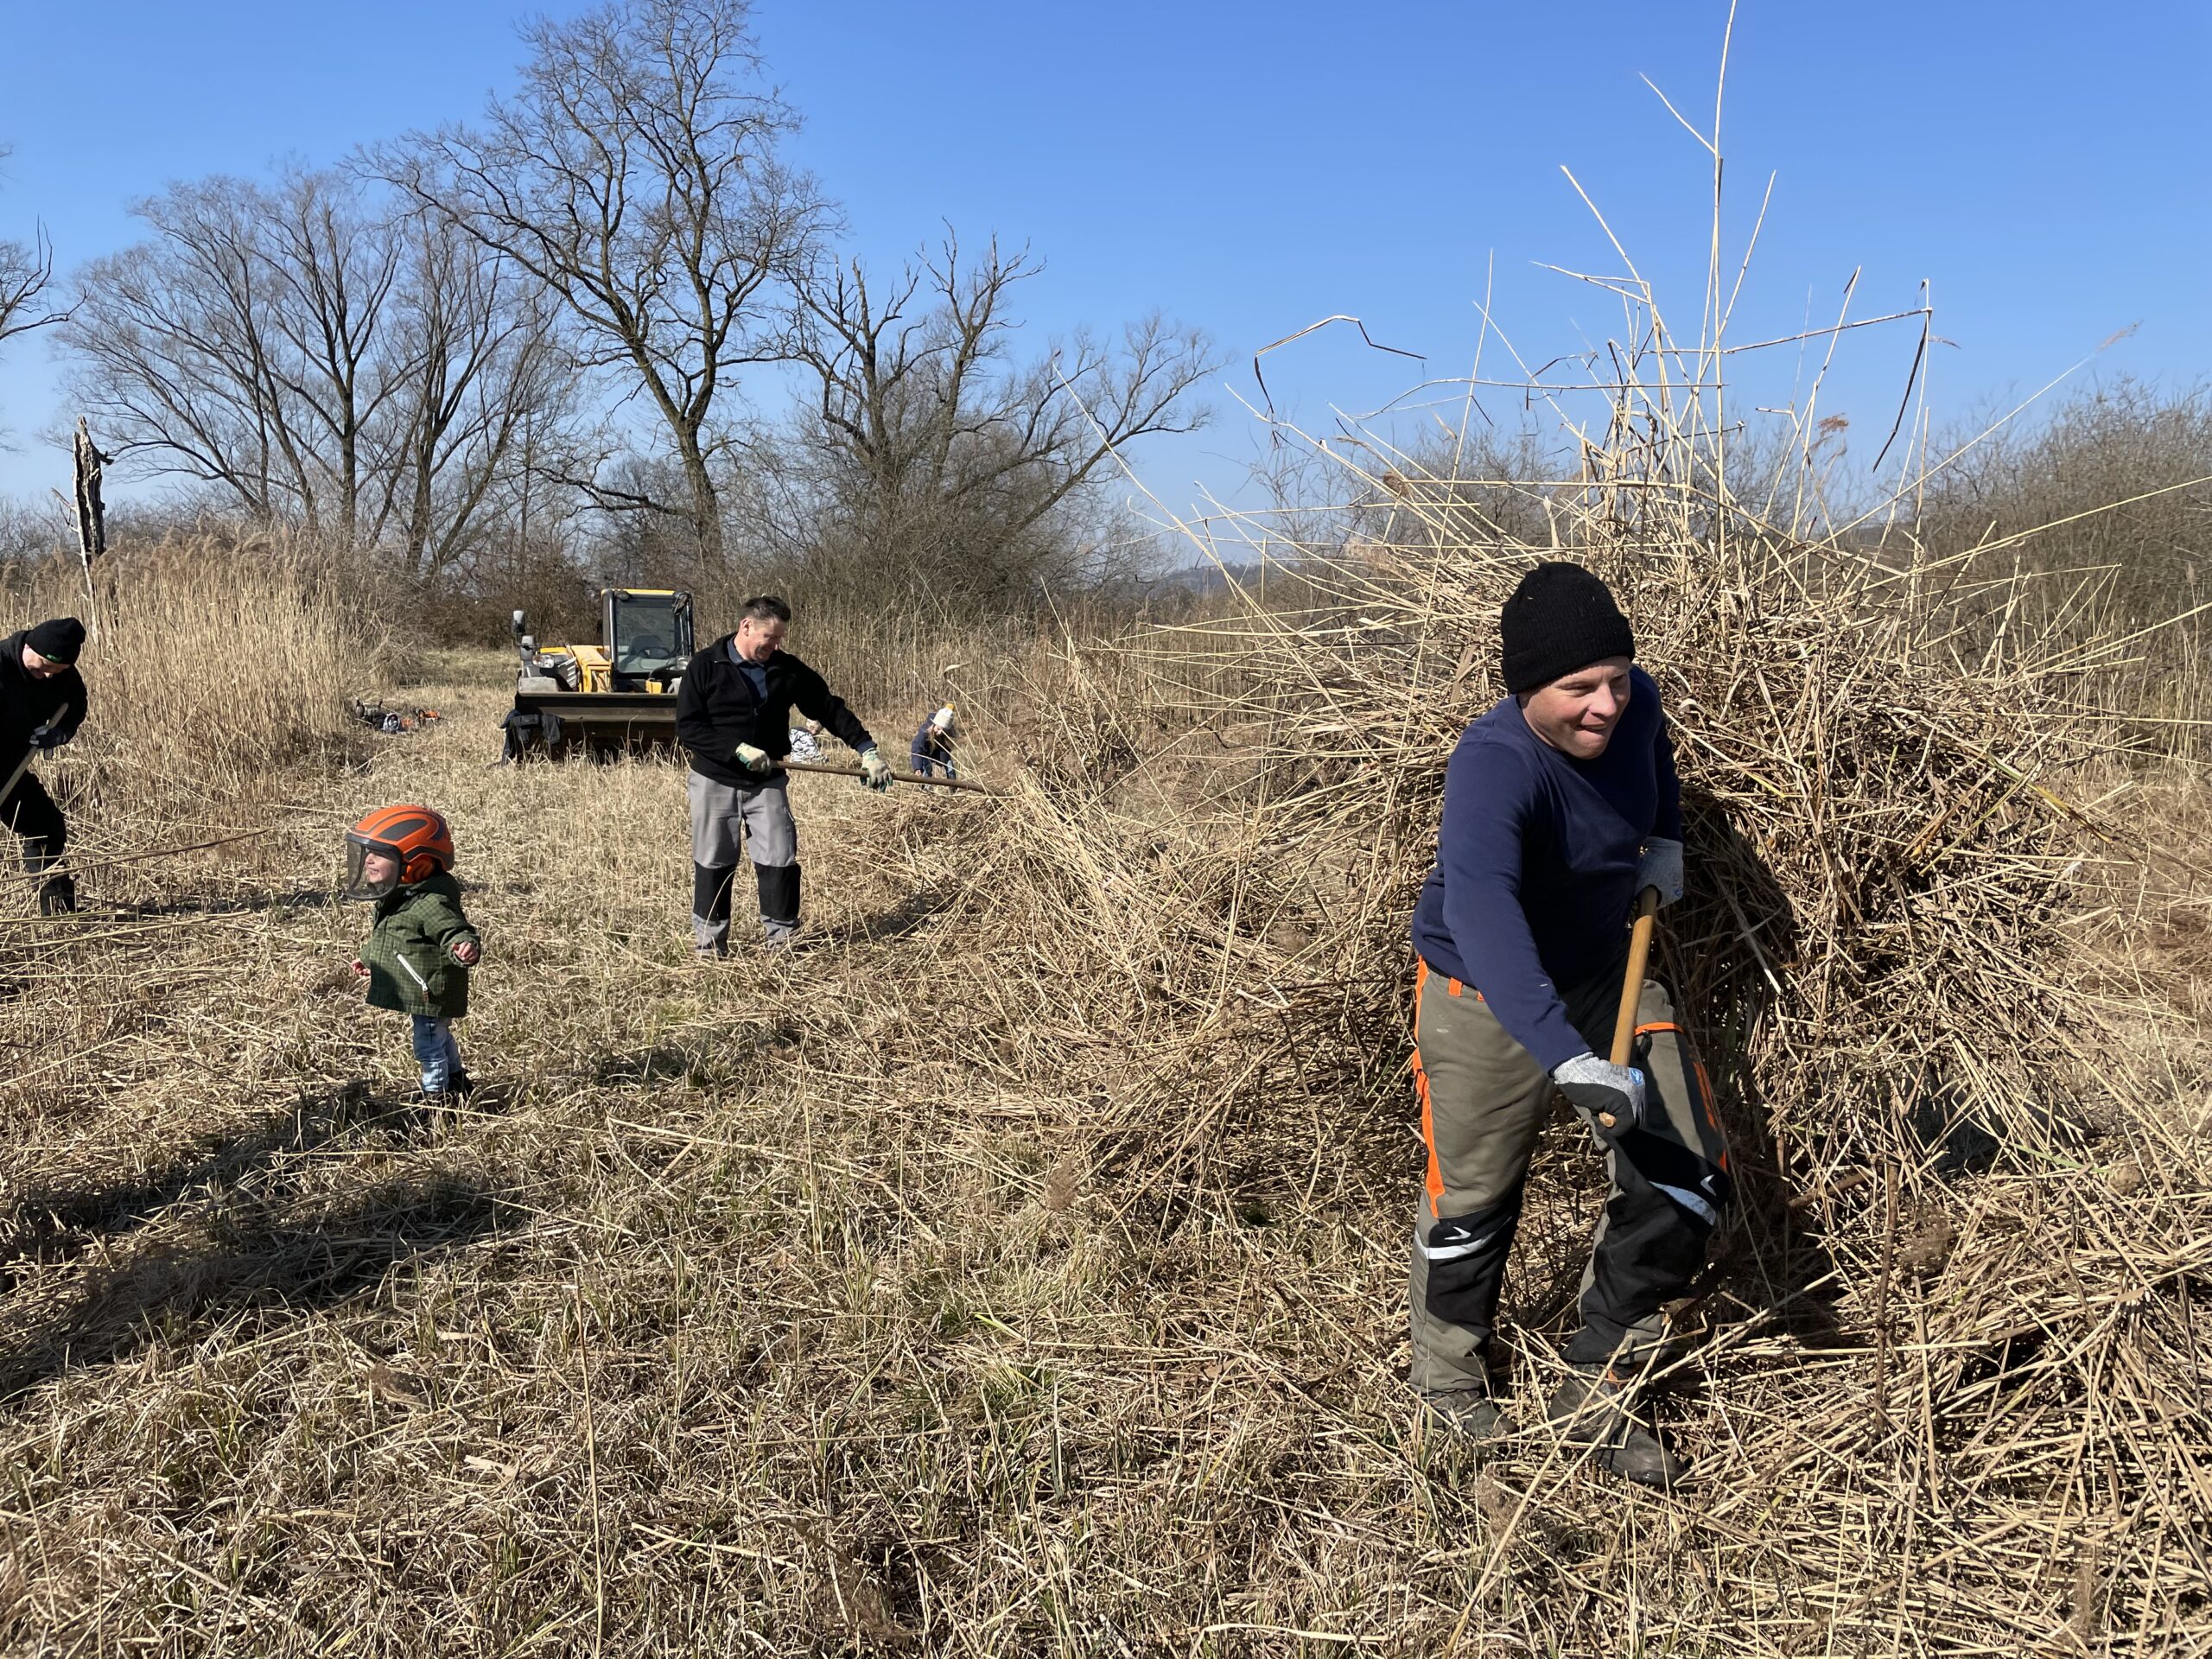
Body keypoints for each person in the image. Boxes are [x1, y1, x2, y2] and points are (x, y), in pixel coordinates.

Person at [1406, 561, 1728, 1490]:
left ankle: (1597, 1394)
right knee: (1472, 1200)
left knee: (1686, 1172)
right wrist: (1565, 1056)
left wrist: (1663, 837)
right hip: (1483, 992)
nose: (1606, 705)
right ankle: (1446, 1384)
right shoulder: (1493, 765)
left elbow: (1653, 764)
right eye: (1578, 687)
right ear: (1526, 690)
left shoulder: (1637, 706)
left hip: (1603, 973)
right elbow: (1482, 913)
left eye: (1617, 677)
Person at [674, 595, 893, 957]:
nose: (776, 646)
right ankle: (710, 946)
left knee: (779, 857)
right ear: (746, 627)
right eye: (770, 638)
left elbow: (827, 707)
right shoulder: (706, 665)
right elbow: (688, 727)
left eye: (779, 639)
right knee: (714, 861)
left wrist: (866, 749)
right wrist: (736, 749)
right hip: (715, 779)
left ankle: (783, 942)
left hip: (767, 780)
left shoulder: (786, 669)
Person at [345, 804, 482, 1104]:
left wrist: (465, 947)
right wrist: (369, 959)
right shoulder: (402, 896)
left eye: (379, 854)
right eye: (367, 852)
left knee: (428, 1045)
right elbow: (392, 936)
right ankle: (458, 1082)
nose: (368, 860)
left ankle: (436, 1098)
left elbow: (455, 931)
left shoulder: (430, 903)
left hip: (430, 992)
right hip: (424, 987)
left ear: (415, 864)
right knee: (440, 1037)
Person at [0, 617, 89, 914]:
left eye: (58, 670)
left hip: (12, 770)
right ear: (30, 648)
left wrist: (59, 732)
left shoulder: (62, 675)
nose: (49, 675)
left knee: (46, 827)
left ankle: (57, 912)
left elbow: (75, 706)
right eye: (44, 666)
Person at [909, 705, 957, 781]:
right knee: (928, 768)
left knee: (950, 766)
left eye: (943, 731)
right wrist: (917, 767)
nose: (940, 733)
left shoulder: (947, 733)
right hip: (924, 753)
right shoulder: (925, 731)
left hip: (937, 752)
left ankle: (953, 786)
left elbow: (946, 749)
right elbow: (916, 748)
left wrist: (943, 760)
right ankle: (926, 786)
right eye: (938, 729)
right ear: (935, 724)